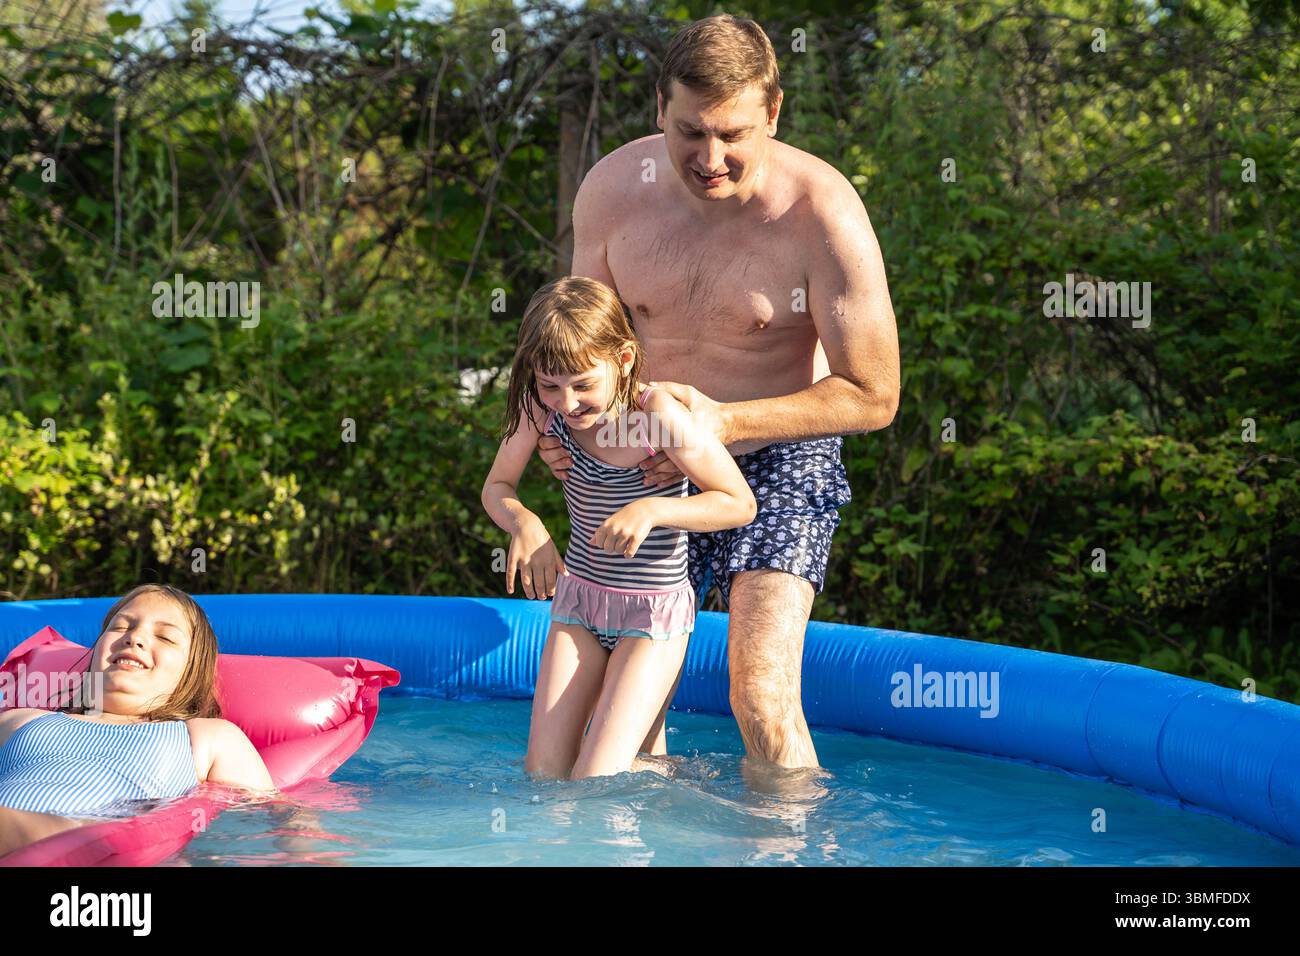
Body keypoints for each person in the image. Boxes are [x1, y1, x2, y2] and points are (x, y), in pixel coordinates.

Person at [537, 15, 901, 773]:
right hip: (644, 463)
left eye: (733, 134)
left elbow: (874, 393)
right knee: (628, 719)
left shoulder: (820, 213)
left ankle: (794, 852)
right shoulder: (611, 192)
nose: (710, 159)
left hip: (779, 460)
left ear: (773, 111)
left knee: (760, 696)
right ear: (659, 109)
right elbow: (582, 350)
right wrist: (555, 431)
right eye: (690, 133)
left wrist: (721, 423)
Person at [481, 276, 756, 779]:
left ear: (624, 359)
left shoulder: (657, 417)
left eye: (584, 384)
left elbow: (738, 503)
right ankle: (655, 772)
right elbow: (497, 486)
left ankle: (670, 786)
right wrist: (524, 522)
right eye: (551, 385)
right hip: (580, 604)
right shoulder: (539, 409)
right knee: (543, 774)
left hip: (652, 618)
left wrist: (654, 510)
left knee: (595, 782)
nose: (567, 403)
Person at [0, 584, 275, 855]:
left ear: (191, 672)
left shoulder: (207, 737)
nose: (135, 638)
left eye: (165, 637)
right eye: (121, 627)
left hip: (95, 843)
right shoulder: (21, 720)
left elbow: (274, 821)